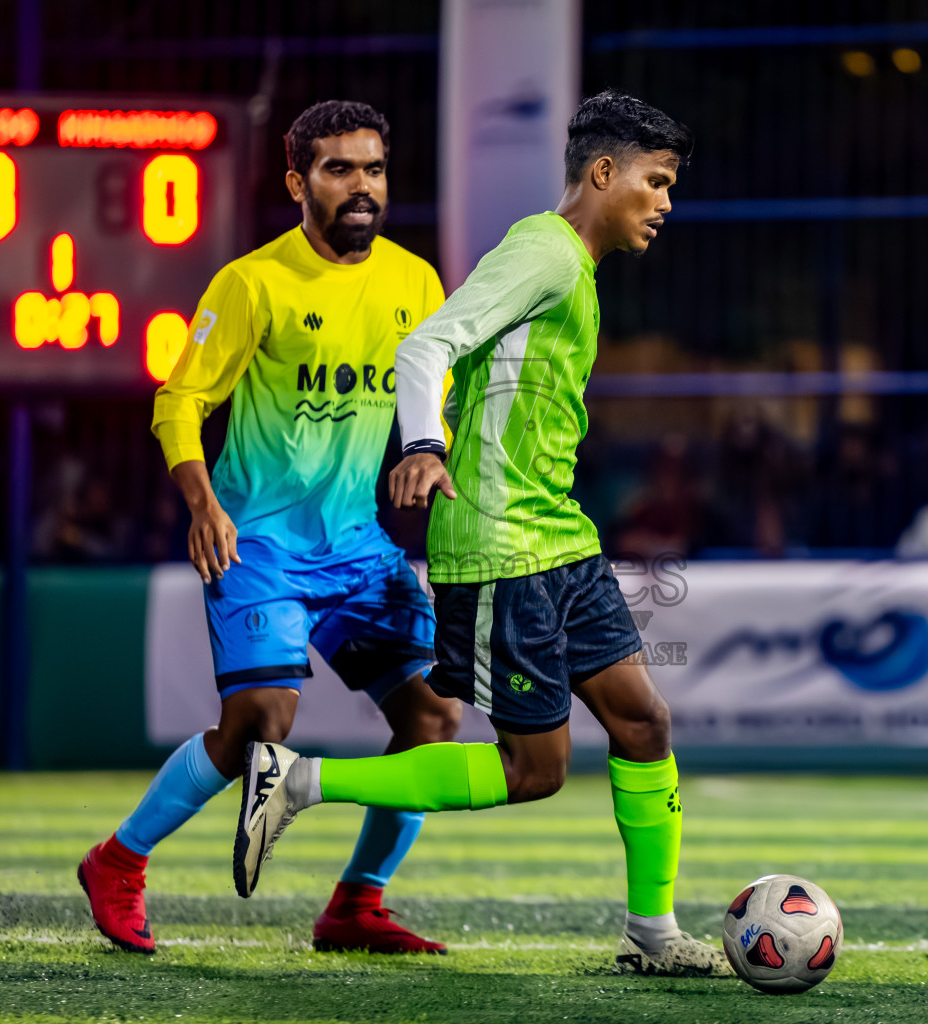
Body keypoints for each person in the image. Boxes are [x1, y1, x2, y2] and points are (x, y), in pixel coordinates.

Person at [234, 91, 727, 977]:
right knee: (533, 770)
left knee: (644, 723)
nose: (664, 203)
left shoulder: (571, 262)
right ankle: (298, 780)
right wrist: (424, 444)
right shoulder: (543, 251)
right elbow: (426, 348)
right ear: (603, 173)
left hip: (558, 538)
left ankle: (653, 935)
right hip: (502, 544)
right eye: (654, 183)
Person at [78, 100, 463, 957]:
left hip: (361, 548)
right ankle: (117, 861)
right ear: (298, 181)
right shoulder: (252, 283)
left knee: (433, 720)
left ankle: (356, 905)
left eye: (373, 169)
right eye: (338, 170)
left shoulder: (415, 281)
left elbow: (433, 395)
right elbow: (179, 400)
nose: (361, 187)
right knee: (260, 720)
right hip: (260, 546)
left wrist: (431, 449)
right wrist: (203, 501)